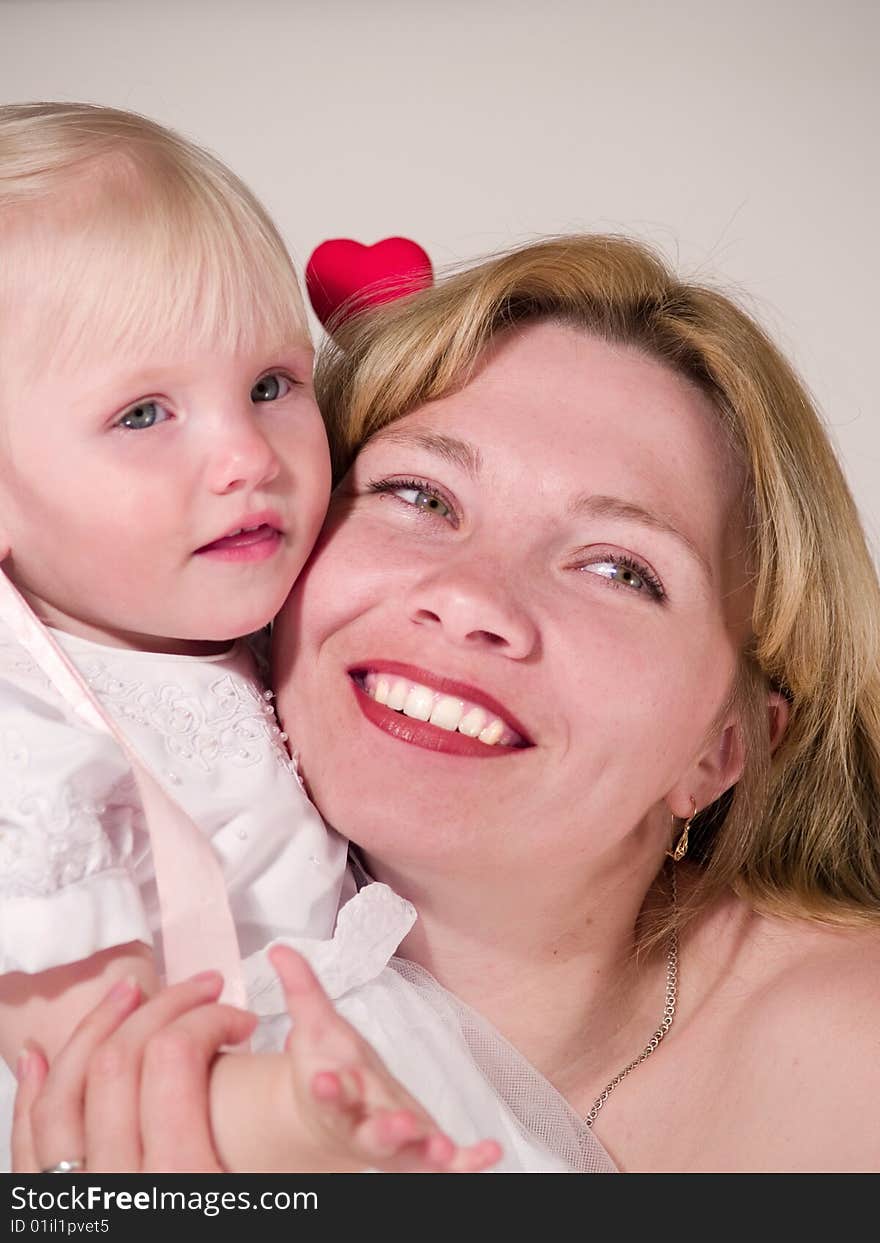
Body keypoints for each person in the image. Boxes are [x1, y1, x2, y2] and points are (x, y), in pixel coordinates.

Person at [13, 233, 880, 1172]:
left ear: (722, 746)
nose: (471, 599)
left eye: (619, 568)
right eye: (419, 496)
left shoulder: (850, 1059)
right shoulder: (76, 911)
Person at [0, 102, 502, 1175]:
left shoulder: (255, 615)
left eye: (271, 385)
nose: (245, 454)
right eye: (144, 414)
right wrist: (302, 1118)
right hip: (232, 1125)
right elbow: (98, 1082)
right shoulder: (24, 732)